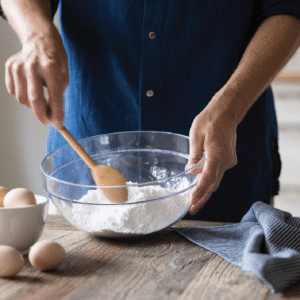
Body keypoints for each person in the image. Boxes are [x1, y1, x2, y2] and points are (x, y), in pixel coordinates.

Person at [1, 0, 300, 222]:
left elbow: (287, 7)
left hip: (221, 161)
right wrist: (35, 33)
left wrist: (230, 107)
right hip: (87, 152)